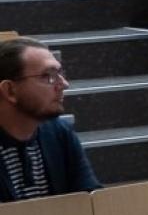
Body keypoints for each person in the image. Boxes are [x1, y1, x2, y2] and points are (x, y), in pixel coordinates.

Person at [0, 37, 99, 202]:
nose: (64, 84)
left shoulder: (59, 132)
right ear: (10, 90)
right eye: (48, 76)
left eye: (60, 74)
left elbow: (90, 200)